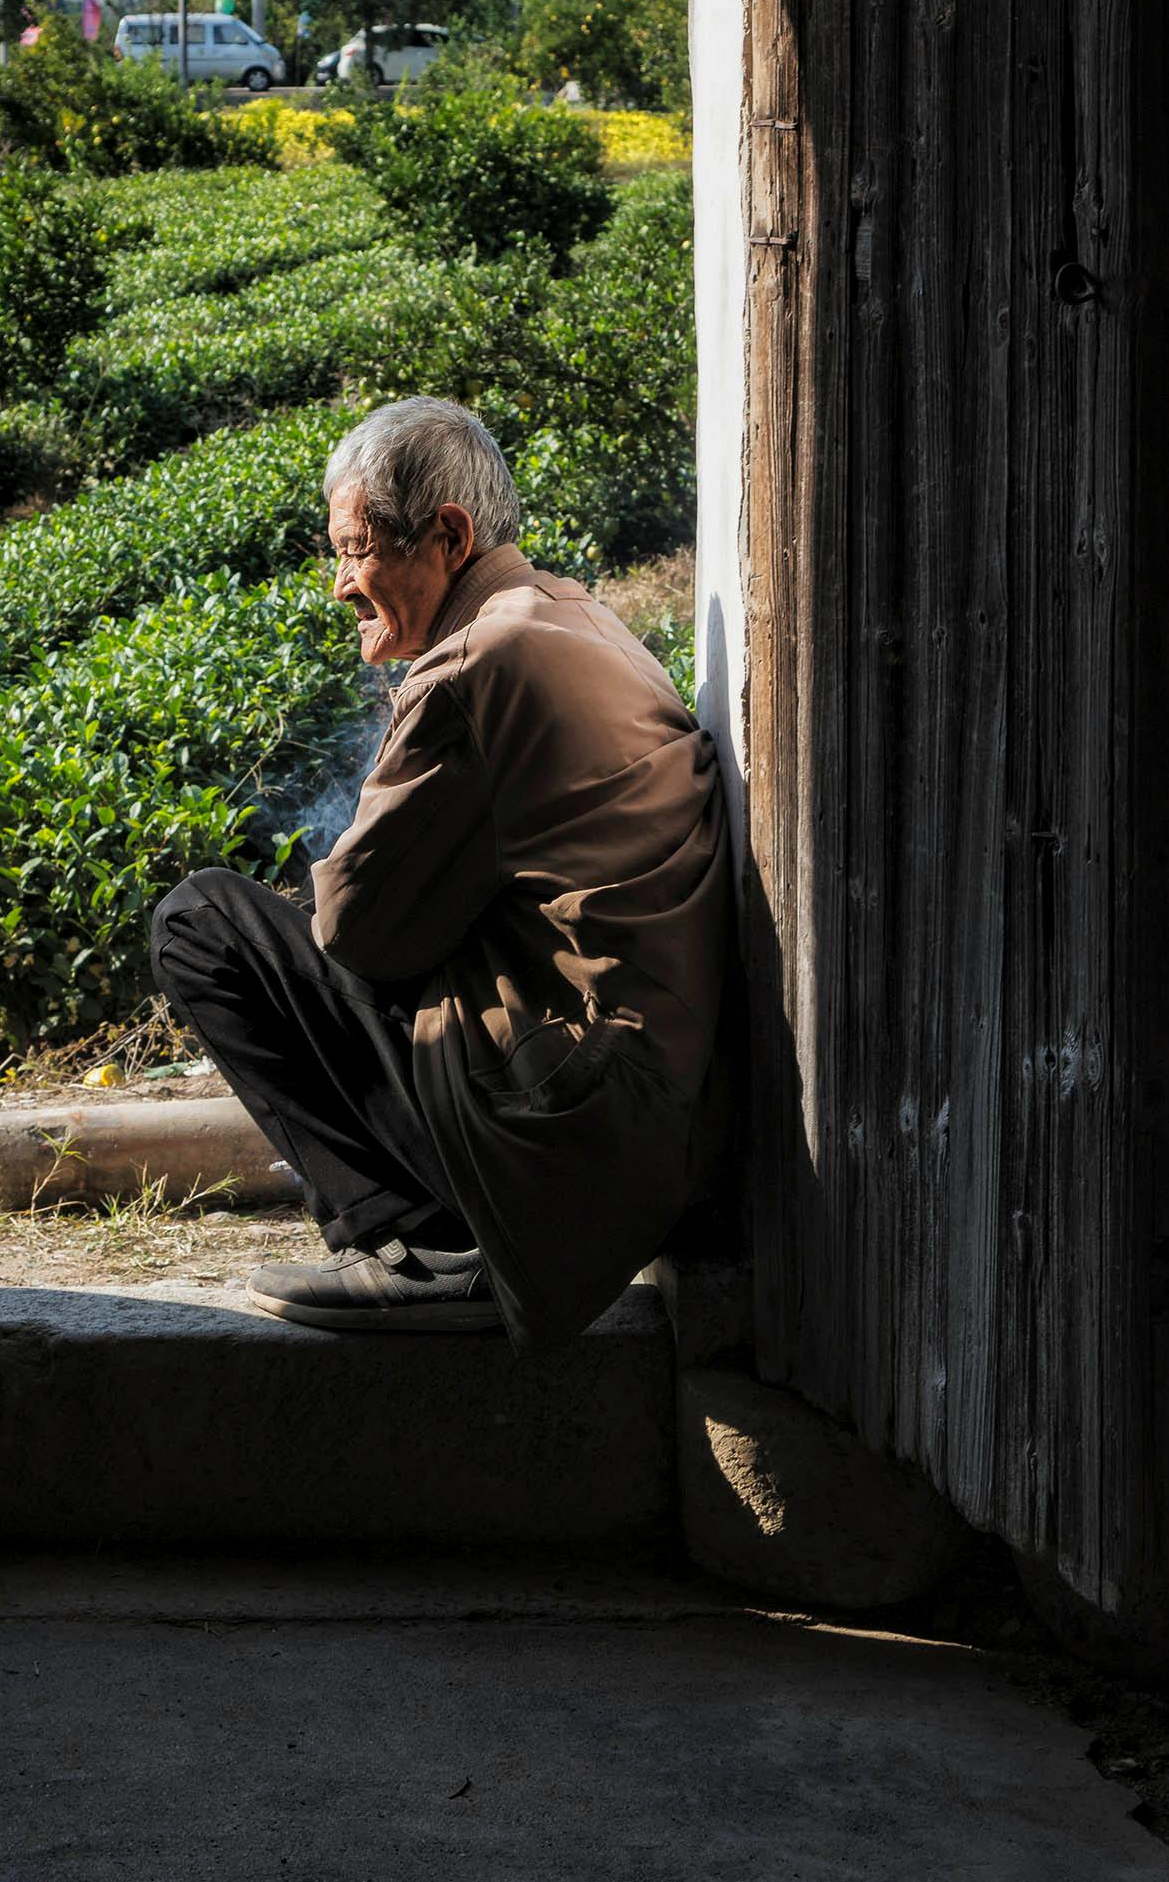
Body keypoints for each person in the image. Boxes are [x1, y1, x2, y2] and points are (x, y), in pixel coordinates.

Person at [150, 395, 734, 1341]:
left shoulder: (473, 666)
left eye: (353, 551)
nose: (341, 585)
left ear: (448, 535)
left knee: (202, 921)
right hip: (659, 1123)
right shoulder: (577, 613)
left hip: (567, 1136)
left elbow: (363, 934)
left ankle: (411, 1244)